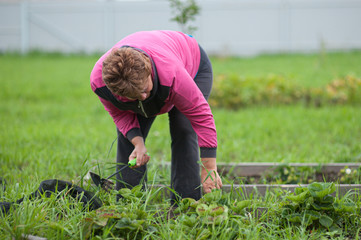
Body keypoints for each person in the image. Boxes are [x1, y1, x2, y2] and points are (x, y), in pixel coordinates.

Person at [90, 30, 222, 204]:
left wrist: (209, 167)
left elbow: (201, 116)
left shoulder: (172, 73)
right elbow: (119, 115)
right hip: (141, 79)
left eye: (145, 90)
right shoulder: (101, 83)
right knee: (127, 139)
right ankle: (128, 204)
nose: (143, 98)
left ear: (149, 71)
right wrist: (138, 143)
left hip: (192, 65)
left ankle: (186, 203)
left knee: (183, 128)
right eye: (136, 96)